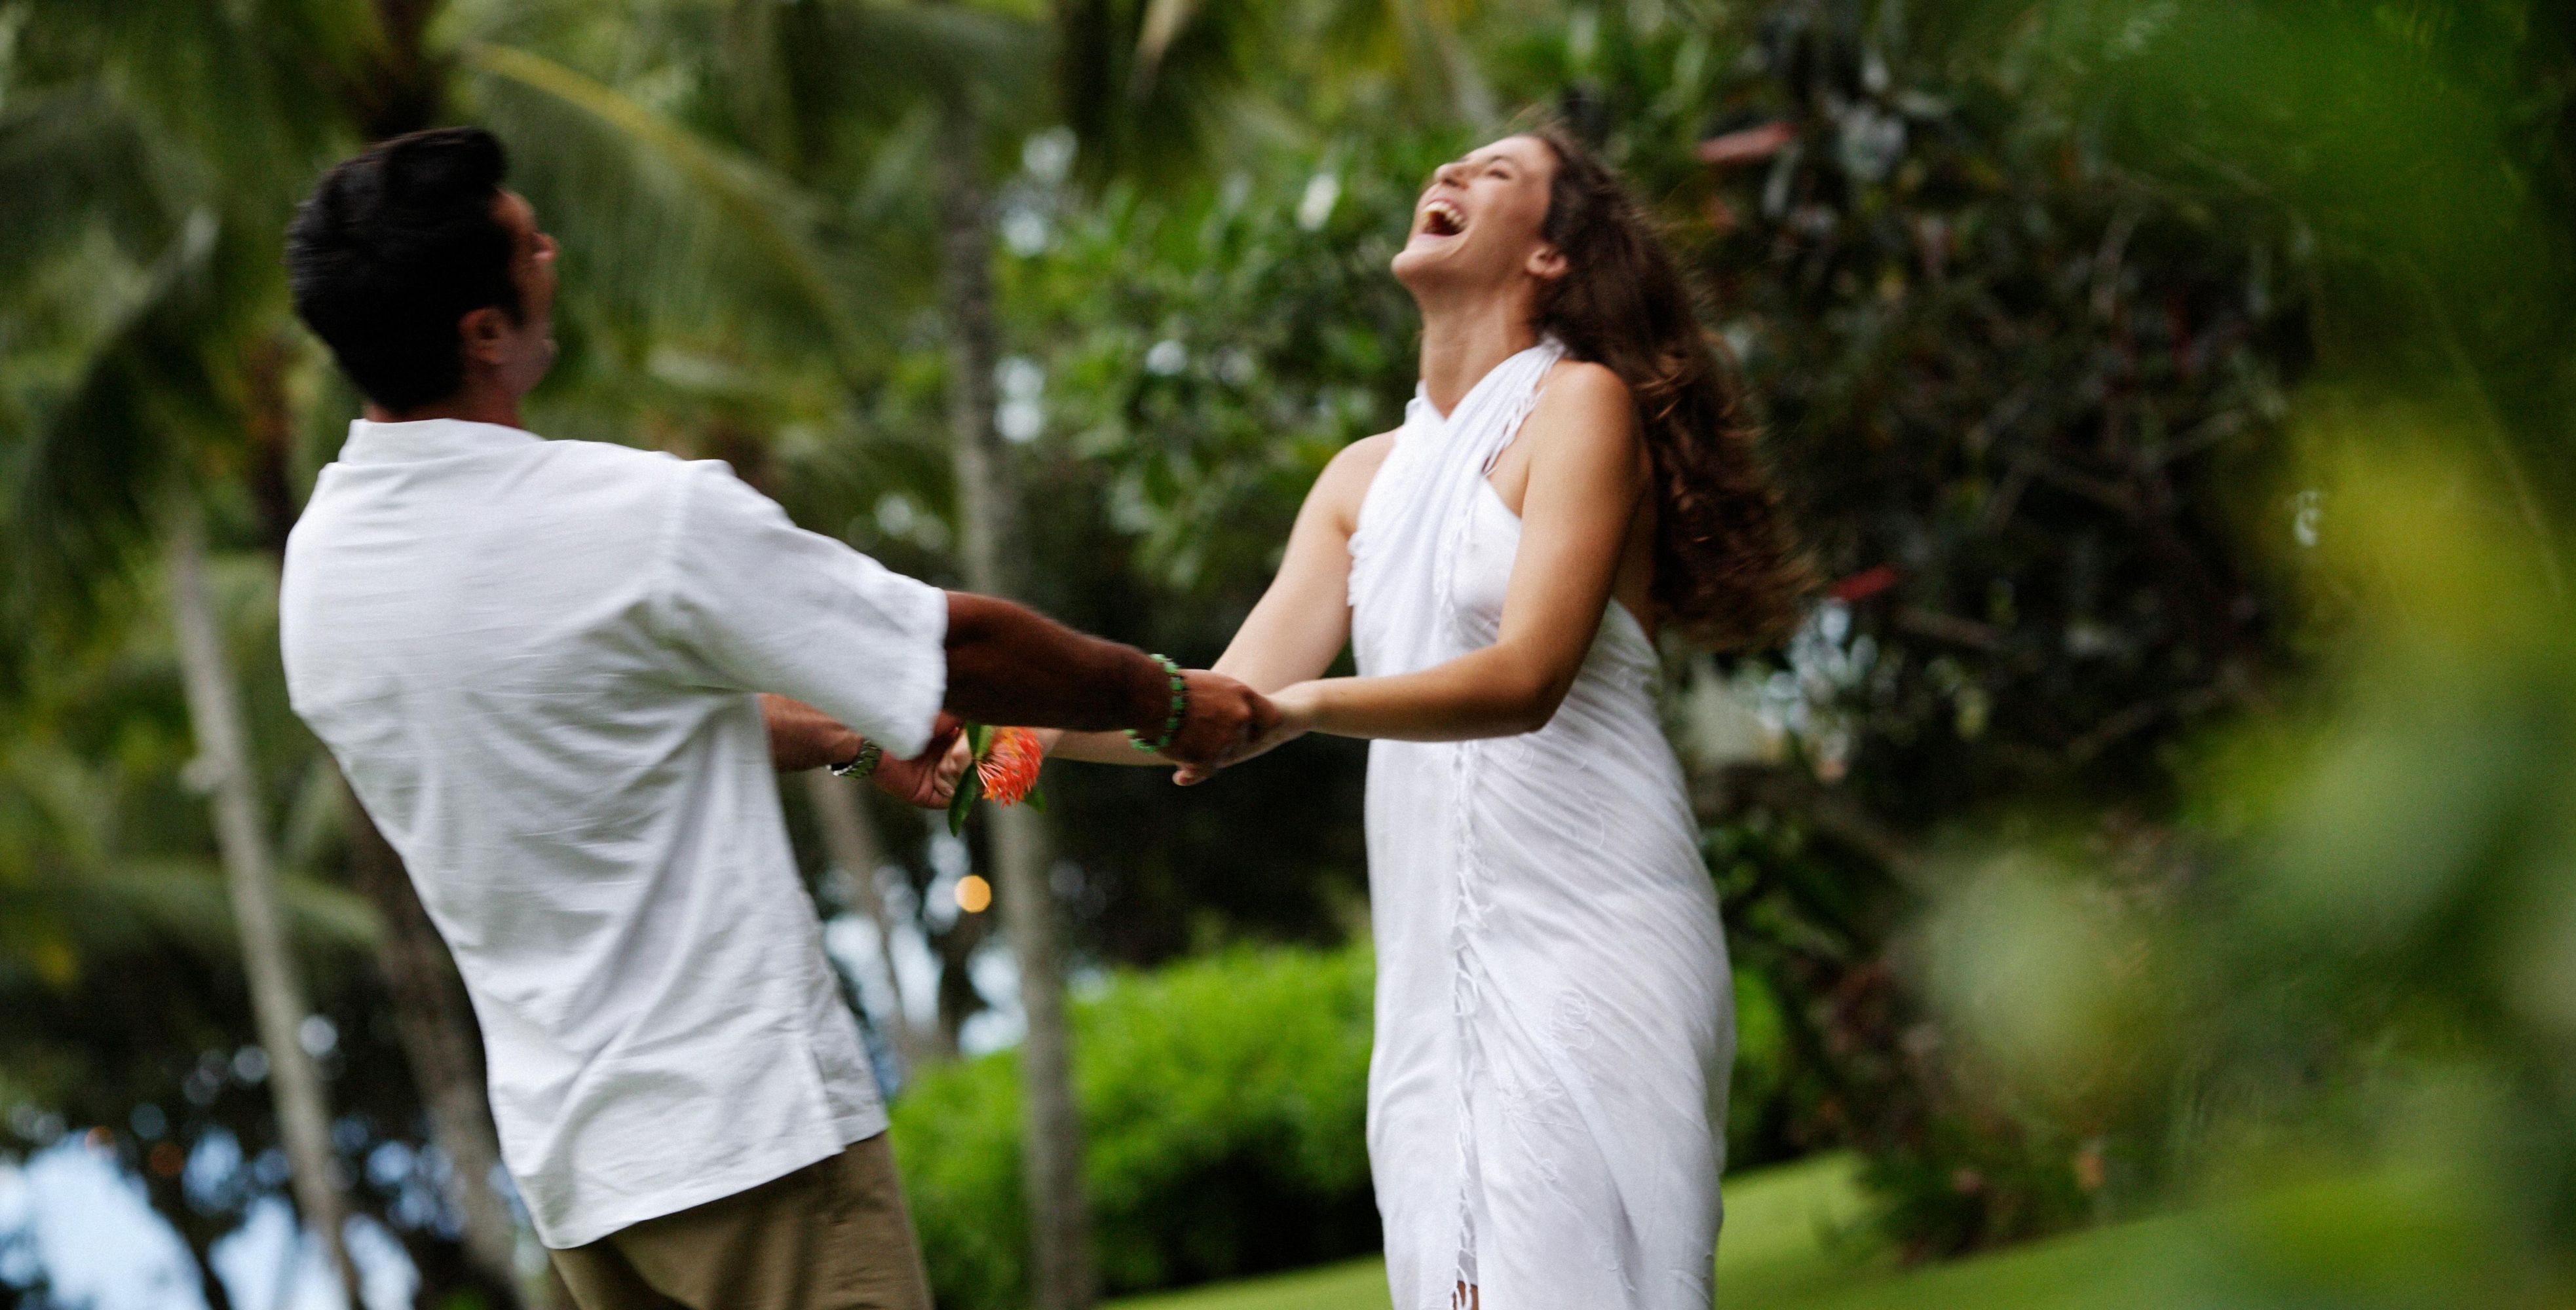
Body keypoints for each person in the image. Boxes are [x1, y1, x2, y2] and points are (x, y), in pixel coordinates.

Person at [276, 126, 1274, 1310]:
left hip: (586, 1188)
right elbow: (954, 647)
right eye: (528, 246)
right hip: (750, 1143)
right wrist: (1167, 700)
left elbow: (592, 726)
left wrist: (850, 735)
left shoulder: (324, 571)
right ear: (483, 333)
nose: (553, 254)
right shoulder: (638, 517)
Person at [1051, 128, 1806, 1309]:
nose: (1447, 176)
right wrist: (1001, 740)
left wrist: (1304, 707)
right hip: (1429, 976)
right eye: (1449, 167)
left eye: (1494, 173)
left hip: (1594, 927)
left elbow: (1526, 679)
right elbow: (1211, 704)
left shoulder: (1582, 407)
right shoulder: (1360, 482)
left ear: (1552, 254)